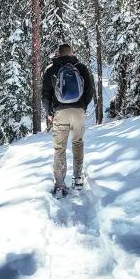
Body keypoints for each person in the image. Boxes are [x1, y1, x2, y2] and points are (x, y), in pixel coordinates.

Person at [42, 43, 94, 198]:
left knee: (59, 148)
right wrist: (82, 106)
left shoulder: (51, 69)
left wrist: (49, 112)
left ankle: (59, 185)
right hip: (78, 111)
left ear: (58, 54)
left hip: (60, 112)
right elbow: (89, 90)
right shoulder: (82, 68)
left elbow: (45, 94)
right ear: (71, 53)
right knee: (77, 143)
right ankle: (78, 179)